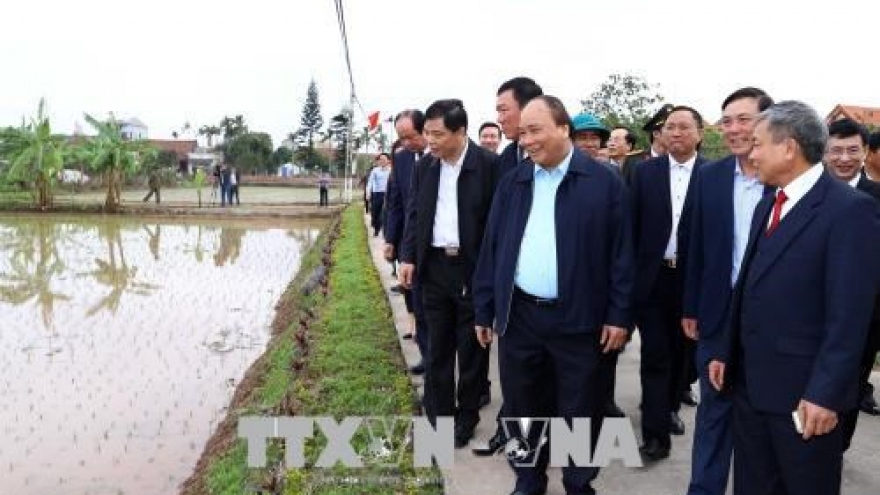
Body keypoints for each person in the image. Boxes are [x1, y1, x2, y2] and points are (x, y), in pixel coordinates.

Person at [708, 101, 878, 495]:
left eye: (757, 144)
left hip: (805, 399)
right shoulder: (769, 203)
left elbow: (850, 316)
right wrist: (725, 350)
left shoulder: (849, 211)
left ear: (789, 148)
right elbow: (748, 286)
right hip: (751, 388)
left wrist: (825, 394)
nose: (750, 154)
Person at [473, 95, 633, 495]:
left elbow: (623, 256)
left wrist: (619, 315)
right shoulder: (514, 180)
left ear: (564, 129)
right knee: (522, 406)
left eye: (535, 130)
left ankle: (579, 483)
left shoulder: (603, 182)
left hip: (580, 319)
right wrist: (484, 307)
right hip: (521, 316)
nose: (525, 140)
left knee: (580, 410)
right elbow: (492, 248)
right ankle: (528, 480)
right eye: (522, 132)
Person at [681, 87, 773, 495]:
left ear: (767, 124)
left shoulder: (787, 181)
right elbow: (695, 245)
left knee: (759, 421)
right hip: (717, 318)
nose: (734, 129)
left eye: (744, 119)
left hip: (770, 325)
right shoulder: (709, 177)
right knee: (713, 415)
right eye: (727, 120)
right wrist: (691, 307)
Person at [398, 99, 500, 449]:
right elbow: (415, 213)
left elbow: (498, 226)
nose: (430, 141)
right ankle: (438, 418)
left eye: (437, 134)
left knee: (471, 351)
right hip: (435, 268)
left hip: (472, 269)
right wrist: (408, 255)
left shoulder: (489, 165)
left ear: (460, 132)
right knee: (437, 348)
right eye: (426, 133)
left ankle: (466, 416)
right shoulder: (426, 166)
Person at [631, 105, 706, 460]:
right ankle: (655, 434)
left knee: (683, 354)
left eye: (683, 127)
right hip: (653, 278)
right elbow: (630, 229)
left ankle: (671, 403)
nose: (675, 133)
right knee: (655, 353)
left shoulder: (714, 175)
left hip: (692, 280)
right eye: (669, 127)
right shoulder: (645, 173)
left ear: (699, 133)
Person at [822, 118, 880, 448]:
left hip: (865, 317)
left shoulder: (876, 197)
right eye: (837, 151)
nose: (844, 158)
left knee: (851, 386)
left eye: (852, 150)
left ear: (865, 152)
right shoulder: (810, 193)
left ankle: (837, 448)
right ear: (824, 153)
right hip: (813, 312)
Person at [384, 110, 430, 374]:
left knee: (435, 306)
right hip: (408, 244)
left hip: (436, 247)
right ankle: (426, 354)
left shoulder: (440, 156)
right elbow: (396, 203)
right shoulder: (401, 160)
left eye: (409, 136)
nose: (405, 143)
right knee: (415, 299)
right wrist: (391, 239)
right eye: (400, 138)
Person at [496, 77, 544, 177]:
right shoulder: (505, 157)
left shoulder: (556, 154)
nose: (499, 120)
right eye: (498, 112)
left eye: (503, 110)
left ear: (528, 108)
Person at [366, 153, 391, 236]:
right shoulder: (375, 170)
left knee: (382, 213)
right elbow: (370, 182)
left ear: (388, 161)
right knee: (374, 213)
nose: (382, 161)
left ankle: (378, 228)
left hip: (387, 194)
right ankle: (375, 224)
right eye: (380, 159)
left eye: (384, 159)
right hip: (376, 194)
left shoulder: (391, 171)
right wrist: (368, 192)